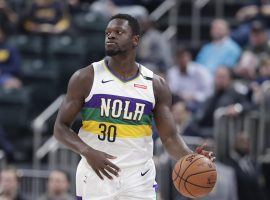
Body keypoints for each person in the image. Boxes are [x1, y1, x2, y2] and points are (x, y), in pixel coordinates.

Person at [54, 13, 214, 199]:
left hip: (139, 177)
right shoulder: (86, 77)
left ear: (135, 40)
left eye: (119, 32)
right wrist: (87, 152)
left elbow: (169, 137)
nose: (111, 36)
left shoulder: (155, 85)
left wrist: (191, 159)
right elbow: (60, 127)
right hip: (96, 173)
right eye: (108, 33)